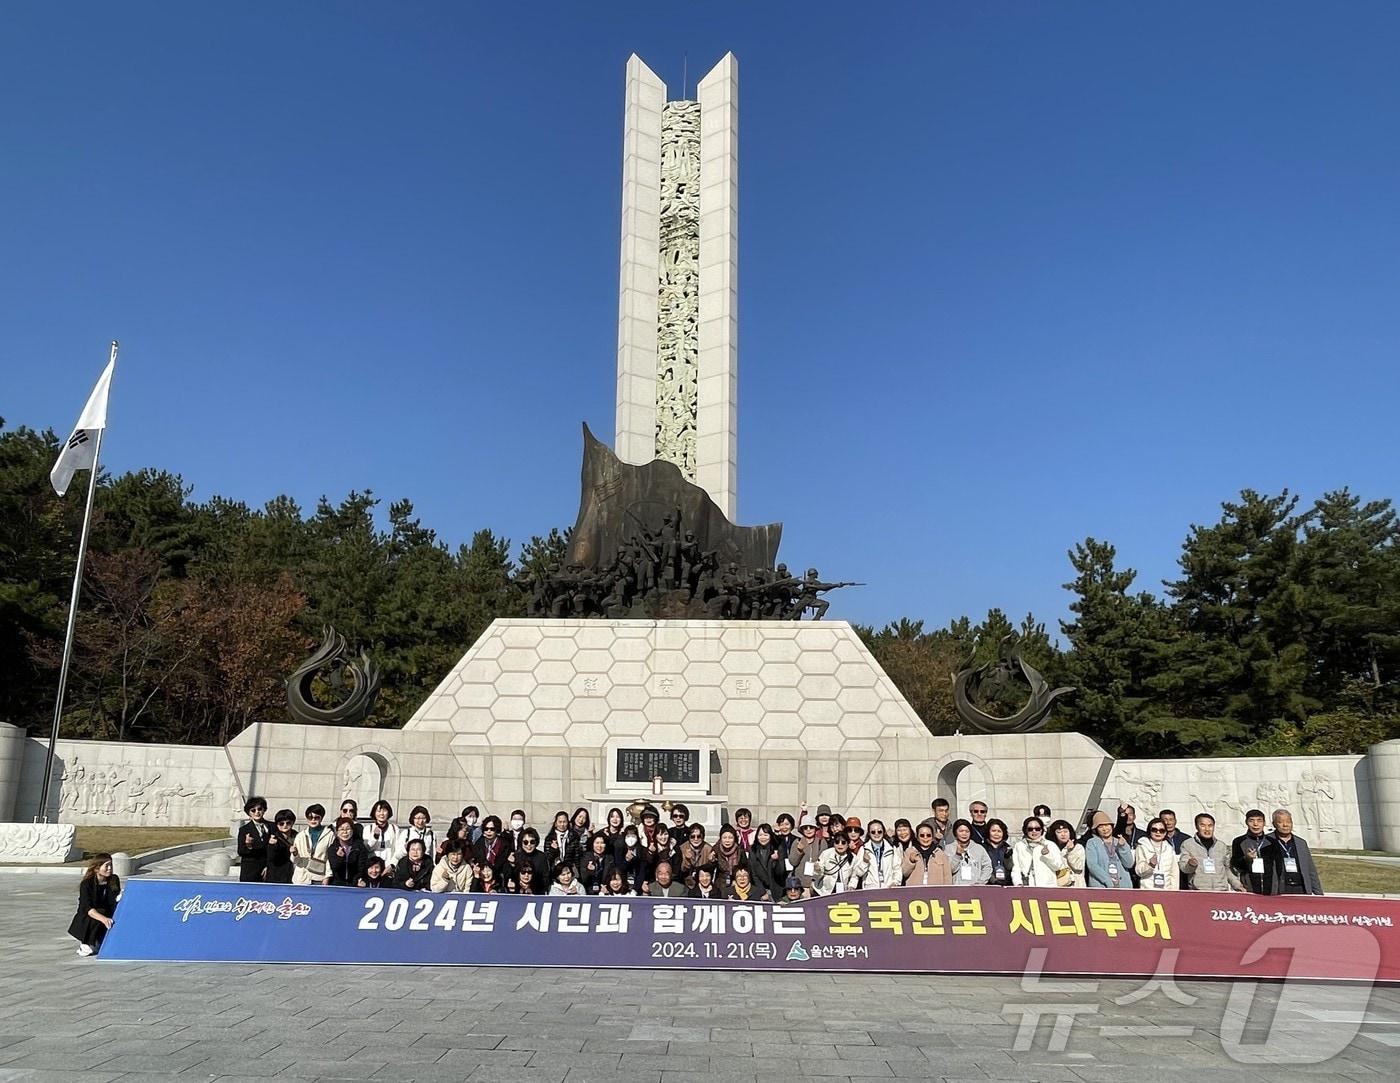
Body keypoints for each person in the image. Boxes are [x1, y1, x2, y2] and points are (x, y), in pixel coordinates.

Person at [69, 853, 119, 957]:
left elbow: (113, 899)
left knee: (107, 912)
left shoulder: (114, 880)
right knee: (99, 913)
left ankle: (97, 941)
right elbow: (87, 907)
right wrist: (104, 919)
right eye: (106, 866)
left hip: (106, 912)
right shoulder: (87, 884)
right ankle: (86, 942)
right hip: (88, 917)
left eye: (111, 865)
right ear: (97, 868)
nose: (110, 868)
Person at [1265, 809, 1324, 895]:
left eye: (1288, 821)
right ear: (1274, 824)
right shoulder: (1267, 841)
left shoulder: (1301, 843)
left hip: (1300, 888)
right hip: (1278, 888)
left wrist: (1319, 893)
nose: (1285, 825)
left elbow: (1311, 870)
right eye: (1280, 822)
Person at [1180, 813, 1243, 891]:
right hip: (1199, 891)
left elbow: (1227, 869)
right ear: (1196, 827)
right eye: (1203, 825)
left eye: (1210, 826)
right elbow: (1184, 868)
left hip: (1221, 891)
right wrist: (1191, 865)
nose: (1207, 829)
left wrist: (1237, 885)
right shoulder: (1188, 844)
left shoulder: (1221, 846)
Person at [1084, 811, 1134, 889]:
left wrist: (1122, 847)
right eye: (1100, 827)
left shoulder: (1120, 841)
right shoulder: (1092, 843)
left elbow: (1129, 864)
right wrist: (1107, 881)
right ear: (1096, 829)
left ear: (1112, 826)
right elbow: (1092, 865)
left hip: (1123, 887)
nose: (1105, 829)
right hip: (1101, 887)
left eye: (1107, 825)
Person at [1230, 808, 1274, 894]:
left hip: (1270, 887)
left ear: (1264, 823)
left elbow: (1278, 867)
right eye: (1251, 821)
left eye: (1259, 821)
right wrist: (1247, 858)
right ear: (1246, 822)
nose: (1255, 824)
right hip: (1249, 886)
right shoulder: (1239, 841)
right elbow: (1235, 864)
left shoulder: (1272, 842)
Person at [1012, 816, 1064, 887]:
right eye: (1030, 829)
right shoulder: (1019, 846)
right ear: (1025, 830)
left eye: (1037, 829)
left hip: (1047, 887)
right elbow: (1016, 867)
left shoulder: (1050, 845)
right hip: (1027, 886)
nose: (1034, 831)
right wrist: (1018, 883)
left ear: (1042, 830)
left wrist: (1048, 855)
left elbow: (1058, 866)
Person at [814, 829, 868, 895]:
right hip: (824, 892)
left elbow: (854, 875)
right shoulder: (826, 853)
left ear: (848, 844)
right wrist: (818, 870)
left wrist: (852, 886)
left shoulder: (853, 857)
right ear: (834, 843)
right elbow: (818, 874)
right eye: (837, 842)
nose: (840, 845)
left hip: (843, 892)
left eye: (843, 842)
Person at [292, 803, 333, 886]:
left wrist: (327, 877)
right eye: (310, 817)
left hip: (319, 878)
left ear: (321, 818)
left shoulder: (329, 834)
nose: (313, 820)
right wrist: (294, 854)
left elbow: (330, 858)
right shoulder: (300, 835)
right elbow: (295, 861)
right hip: (301, 878)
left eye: (316, 817)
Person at [1134, 817, 1180, 891]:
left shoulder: (1169, 848)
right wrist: (1150, 865)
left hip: (1167, 891)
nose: (1158, 832)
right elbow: (1139, 871)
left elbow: (1174, 873)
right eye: (1154, 830)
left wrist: (1174, 891)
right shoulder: (1142, 846)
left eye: (1161, 830)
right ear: (1149, 831)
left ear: (1165, 832)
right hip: (1148, 890)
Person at [945, 818, 993, 886]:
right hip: (957, 888)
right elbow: (948, 870)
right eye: (961, 831)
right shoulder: (949, 848)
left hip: (976, 888)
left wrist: (981, 882)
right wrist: (957, 855)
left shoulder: (979, 848)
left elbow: (987, 867)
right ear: (955, 832)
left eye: (967, 831)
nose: (964, 834)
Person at [746, 823, 788, 900]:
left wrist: (777, 860)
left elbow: (781, 873)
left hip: (777, 889)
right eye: (760, 835)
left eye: (766, 835)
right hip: (761, 889)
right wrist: (762, 891)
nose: (763, 838)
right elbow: (753, 873)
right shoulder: (753, 850)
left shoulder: (778, 848)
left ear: (770, 836)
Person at [236, 796, 271, 882]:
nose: (257, 812)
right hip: (250, 872)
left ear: (264, 810)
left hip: (268, 870)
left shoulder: (272, 826)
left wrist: (269, 866)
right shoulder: (244, 829)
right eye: (253, 810)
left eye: (259, 809)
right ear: (249, 812)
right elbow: (241, 851)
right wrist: (248, 846)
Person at [326, 816, 369, 886]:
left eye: (348, 829)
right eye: (341, 829)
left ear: (352, 830)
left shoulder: (360, 847)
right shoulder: (333, 848)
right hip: (337, 885)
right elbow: (334, 868)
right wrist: (340, 858)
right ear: (337, 832)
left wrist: (356, 882)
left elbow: (362, 868)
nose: (345, 832)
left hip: (355, 884)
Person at [863, 820, 901, 890]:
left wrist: (895, 882)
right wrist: (864, 862)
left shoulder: (891, 848)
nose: (876, 834)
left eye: (879, 831)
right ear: (869, 833)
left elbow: (897, 868)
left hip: (889, 888)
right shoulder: (864, 848)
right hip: (871, 889)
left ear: (884, 832)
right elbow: (858, 873)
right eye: (873, 832)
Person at [472, 815, 511, 883]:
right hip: (483, 877)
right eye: (486, 829)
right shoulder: (479, 844)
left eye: (492, 829)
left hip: (499, 879)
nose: (489, 831)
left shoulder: (504, 844)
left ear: (496, 830)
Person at [511, 829, 550, 894]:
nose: (529, 845)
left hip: (537, 892)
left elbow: (545, 879)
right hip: (517, 892)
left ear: (536, 842)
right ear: (521, 842)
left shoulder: (542, 857)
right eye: (525, 842)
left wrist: (531, 886)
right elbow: (510, 877)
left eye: (532, 842)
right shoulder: (515, 856)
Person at [363, 800, 400, 868]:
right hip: (372, 867)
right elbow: (366, 849)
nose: (382, 814)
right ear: (374, 813)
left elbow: (397, 849)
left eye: (384, 811)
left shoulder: (394, 828)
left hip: (389, 866)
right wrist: (375, 837)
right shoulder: (368, 828)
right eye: (378, 811)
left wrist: (392, 865)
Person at [1049, 820, 1085, 888]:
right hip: (1058, 885)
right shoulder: (1052, 848)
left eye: (1066, 831)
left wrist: (1071, 851)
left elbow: (1078, 867)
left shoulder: (1078, 847)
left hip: (1075, 886)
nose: (1063, 834)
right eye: (1059, 832)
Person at [679, 824, 716, 889]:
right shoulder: (682, 848)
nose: (696, 839)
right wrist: (687, 860)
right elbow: (682, 870)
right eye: (692, 836)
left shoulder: (709, 849)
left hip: (702, 882)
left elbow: (710, 871)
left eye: (699, 836)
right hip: (686, 882)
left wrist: (711, 862)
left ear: (703, 837)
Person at [265, 809, 297, 884]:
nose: (285, 826)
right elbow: (271, 858)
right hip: (276, 875)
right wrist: (272, 846)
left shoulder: (298, 836)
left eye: (288, 823)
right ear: (277, 824)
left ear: (292, 823)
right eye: (281, 823)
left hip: (293, 874)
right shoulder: (273, 837)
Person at [711, 825, 745, 891]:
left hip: (736, 884)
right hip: (720, 885)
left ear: (734, 838)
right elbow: (710, 869)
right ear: (720, 838)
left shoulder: (739, 850)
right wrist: (711, 861)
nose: (727, 840)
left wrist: (736, 879)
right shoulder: (716, 849)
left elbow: (744, 867)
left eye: (730, 838)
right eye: (724, 837)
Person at [983, 818, 1012, 886]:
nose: (996, 834)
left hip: (1006, 885)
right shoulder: (983, 848)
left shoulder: (1008, 848)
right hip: (989, 885)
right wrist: (993, 880)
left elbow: (1011, 868)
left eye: (999, 831)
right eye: (993, 831)